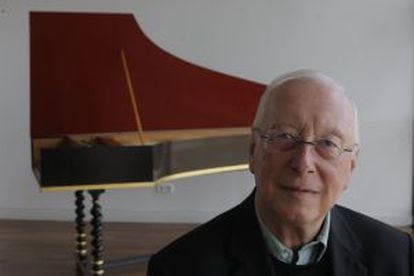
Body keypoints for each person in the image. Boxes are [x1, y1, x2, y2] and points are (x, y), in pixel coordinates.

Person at [147, 70, 413, 276]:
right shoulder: (179, 267)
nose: (303, 162)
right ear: (253, 152)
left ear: (351, 167)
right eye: (285, 136)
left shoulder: (397, 256)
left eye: (328, 144)